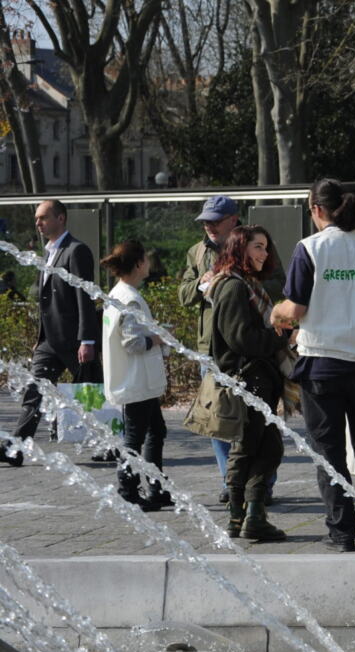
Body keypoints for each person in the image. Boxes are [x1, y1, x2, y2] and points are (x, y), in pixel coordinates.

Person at [273, 179, 355, 552]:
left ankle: (342, 533)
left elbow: (295, 308)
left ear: (316, 209)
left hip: (321, 364)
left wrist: (274, 312)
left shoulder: (310, 248)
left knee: (329, 453)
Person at [178, 195, 285, 501]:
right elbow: (184, 295)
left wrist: (243, 279)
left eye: (216, 220)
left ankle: (261, 483)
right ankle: (232, 484)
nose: (209, 226)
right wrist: (204, 280)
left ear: (233, 220)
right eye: (206, 221)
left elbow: (279, 281)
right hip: (211, 349)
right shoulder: (197, 252)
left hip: (252, 348)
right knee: (220, 418)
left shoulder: (257, 245)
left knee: (260, 421)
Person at [4, 200, 100, 468]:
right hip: (49, 341)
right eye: (37, 218)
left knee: (92, 393)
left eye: (43, 218)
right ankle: (16, 447)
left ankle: (114, 446)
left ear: (61, 218)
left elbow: (84, 296)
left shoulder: (76, 251)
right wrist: (40, 337)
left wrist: (87, 339)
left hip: (73, 341)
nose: (38, 223)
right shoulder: (48, 252)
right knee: (35, 391)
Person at [210, 226, 291, 543]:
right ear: (239, 249)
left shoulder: (249, 285)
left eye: (266, 248)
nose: (264, 254)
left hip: (260, 378)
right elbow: (241, 339)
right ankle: (238, 516)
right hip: (247, 379)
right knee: (247, 448)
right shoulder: (233, 287)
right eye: (258, 247)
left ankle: (252, 515)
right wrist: (280, 335)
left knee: (266, 447)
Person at [101, 240, 170, 511]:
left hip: (138, 381)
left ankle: (157, 487)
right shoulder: (129, 298)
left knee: (156, 431)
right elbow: (132, 343)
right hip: (136, 380)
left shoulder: (119, 293)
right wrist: (158, 339)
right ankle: (127, 489)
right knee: (136, 436)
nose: (149, 264)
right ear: (139, 263)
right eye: (146, 260)